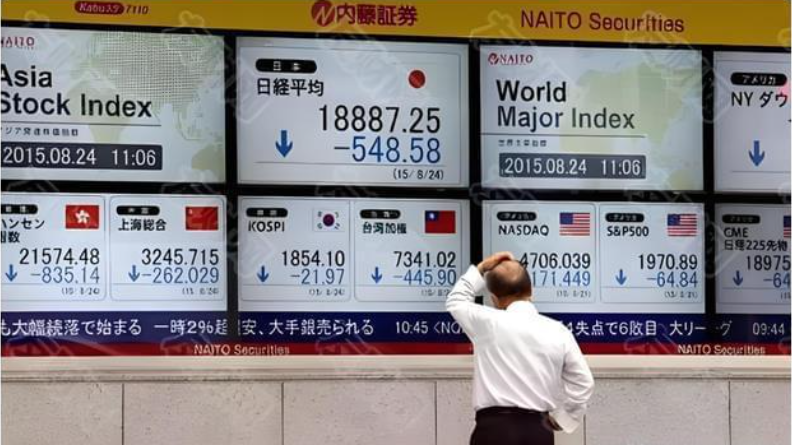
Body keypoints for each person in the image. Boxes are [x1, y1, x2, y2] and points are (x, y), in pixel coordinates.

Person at [446, 251, 594, 445]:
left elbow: (456, 300)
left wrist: (481, 268)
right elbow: (584, 382)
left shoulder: (487, 322)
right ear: (531, 291)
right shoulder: (559, 331)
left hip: (493, 430)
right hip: (538, 431)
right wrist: (563, 419)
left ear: (494, 299)